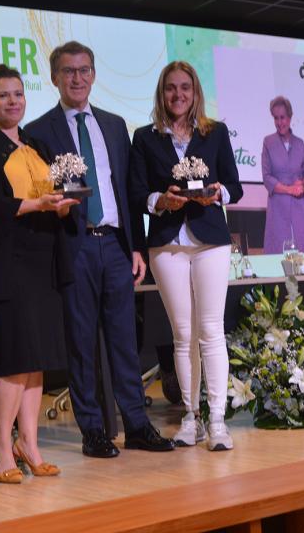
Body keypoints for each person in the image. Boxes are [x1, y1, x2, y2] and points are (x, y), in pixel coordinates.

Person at [25, 41, 174, 458]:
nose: (77, 78)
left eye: (84, 70)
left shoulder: (113, 124)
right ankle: (92, 429)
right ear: (55, 77)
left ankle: (138, 424)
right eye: (69, 71)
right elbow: (39, 194)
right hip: (73, 246)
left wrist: (136, 248)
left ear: (93, 75)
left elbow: (128, 191)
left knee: (125, 340)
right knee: (81, 342)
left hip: (114, 244)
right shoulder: (38, 131)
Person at [0, 64, 77, 483]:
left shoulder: (39, 143)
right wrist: (36, 206)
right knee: (14, 360)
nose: (12, 101)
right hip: (6, 264)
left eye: (17, 94)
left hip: (43, 260)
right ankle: (0, 449)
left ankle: (28, 444)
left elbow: (54, 194)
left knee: (37, 360)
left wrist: (63, 205)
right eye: (2, 96)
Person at [129, 61, 242, 450]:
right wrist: (159, 201)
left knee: (211, 331)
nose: (178, 95)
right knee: (183, 335)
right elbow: (136, 193)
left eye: (185, 88)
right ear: (162, 94)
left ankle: (218, 422)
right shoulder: (144, 138)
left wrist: (218, 193)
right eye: (171, 89)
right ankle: (190, 419)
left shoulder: (216, 133)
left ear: (195, 93)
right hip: (166, 243)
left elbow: (235, 188)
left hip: (210, 239)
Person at [262, 96, 304, 254]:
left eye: (283, 117)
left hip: (299, 207)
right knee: (279, 253)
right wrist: (289, 190)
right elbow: (267, 178)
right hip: (278, 207)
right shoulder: (268, 142)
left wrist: (302, 183)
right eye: (276, 118)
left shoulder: (300, 144)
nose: (280, 122)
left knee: (303, 252)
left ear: (290, 117)